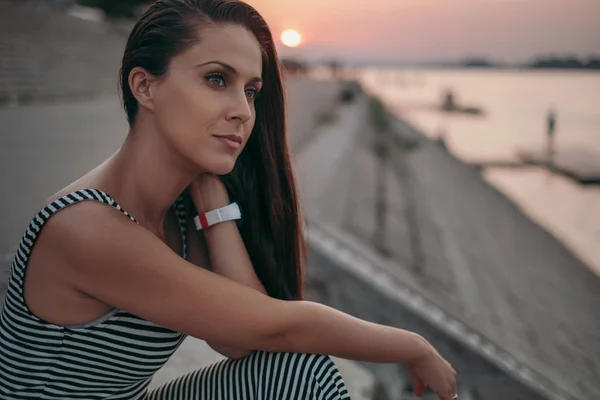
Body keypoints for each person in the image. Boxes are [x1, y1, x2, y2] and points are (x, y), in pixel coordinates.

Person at [0, 1, 457, 399]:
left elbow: (242, 344)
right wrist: (412, 345)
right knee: (303, 367)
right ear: (145, 86)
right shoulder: (88, 228)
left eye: (251, 91)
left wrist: (212, 201)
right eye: (217, 79)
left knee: (294, 374)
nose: (242, 109)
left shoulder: (179, 212)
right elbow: (273, 324)